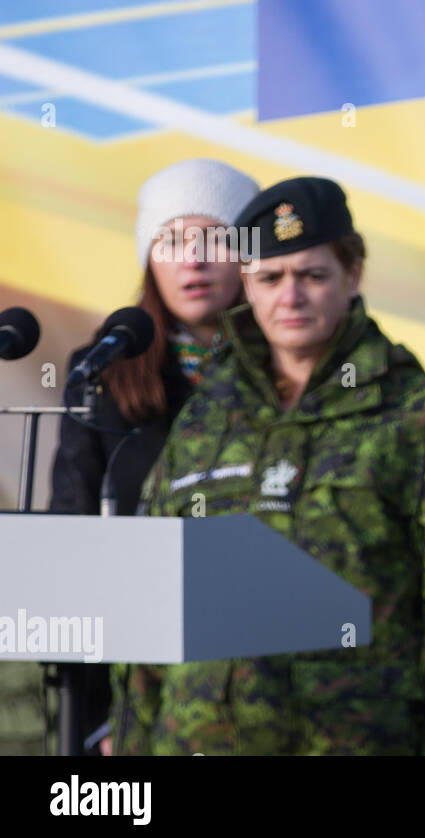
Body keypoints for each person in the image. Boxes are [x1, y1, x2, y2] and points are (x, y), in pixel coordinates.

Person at [110, 176, 425, 755]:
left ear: (352, 275)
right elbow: (150, 603)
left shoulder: (422, 421)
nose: (289, 297)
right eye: (270, 277)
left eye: (312, 275)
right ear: (246, 282)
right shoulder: (203, 422)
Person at [48, 158, 259, 754]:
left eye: (214, 237)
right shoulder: (103, 374)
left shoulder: (290, 375)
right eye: (170, 240)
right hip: (133, 697)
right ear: (148, 258)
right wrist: (105, 721)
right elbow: (72, 532)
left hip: (260, 683)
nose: (191, 258)